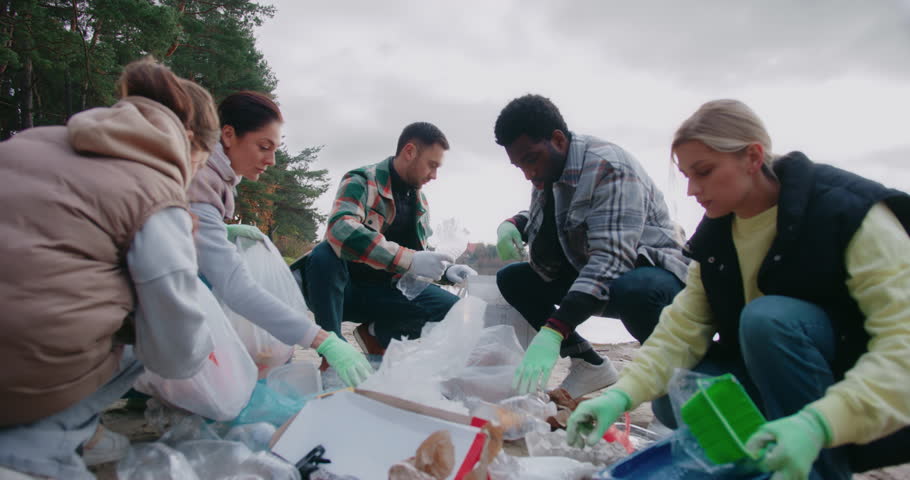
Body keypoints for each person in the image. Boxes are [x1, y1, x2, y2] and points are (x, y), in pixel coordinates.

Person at [566, 99, 910, 479]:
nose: (693, 190)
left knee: (767, 319)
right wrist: (621, 395)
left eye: (705, 172)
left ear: (752, 156)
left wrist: (818, 424)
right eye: (687, 177)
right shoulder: (717, 235)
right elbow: (680, 330)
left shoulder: (847, 212)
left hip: (863, 394)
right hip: (777, 382)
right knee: (672, 394)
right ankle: (764, 461)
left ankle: (819, 467)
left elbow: (903, 345)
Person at [0, 59, 221, 479]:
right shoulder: (156, 190)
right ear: (189, 143)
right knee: (151, 337)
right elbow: (176, 356)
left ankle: (83, 433)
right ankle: (40, 447)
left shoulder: (32, 140)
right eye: (202, 163)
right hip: (16, 375)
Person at [493, 94, 689, 399]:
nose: (527, 174)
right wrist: (513, 225)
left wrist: (555, 330)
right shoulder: (550, 173)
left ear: (557, 140)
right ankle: (589, 364)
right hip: (603, 278)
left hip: (654, 278)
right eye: (519, 165)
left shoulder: (610, 167)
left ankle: (676, 385)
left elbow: (612, 259)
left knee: (636, 291)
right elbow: (546, 222)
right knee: (514, 279)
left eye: (530, 160)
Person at [187, 91, 373, 387]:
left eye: (275, 149)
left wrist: (222, 232)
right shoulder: (201, 180)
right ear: (229, 134)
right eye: (263, 147)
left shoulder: (214, 177)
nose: (272, 160)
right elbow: (235, 287)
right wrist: (323, 340)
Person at [296, 122, 477, 354]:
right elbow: (340, 230)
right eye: (431, 166)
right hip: (342, 292)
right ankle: (331, 350)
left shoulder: (420, 204)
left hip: (385, 292)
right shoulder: (361, 180)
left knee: (454, 311)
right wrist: (409, 259)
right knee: (324, 253)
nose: (434, 175)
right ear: (409, 152)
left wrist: (445, 271)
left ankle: (374, 333)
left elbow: (416, 257)